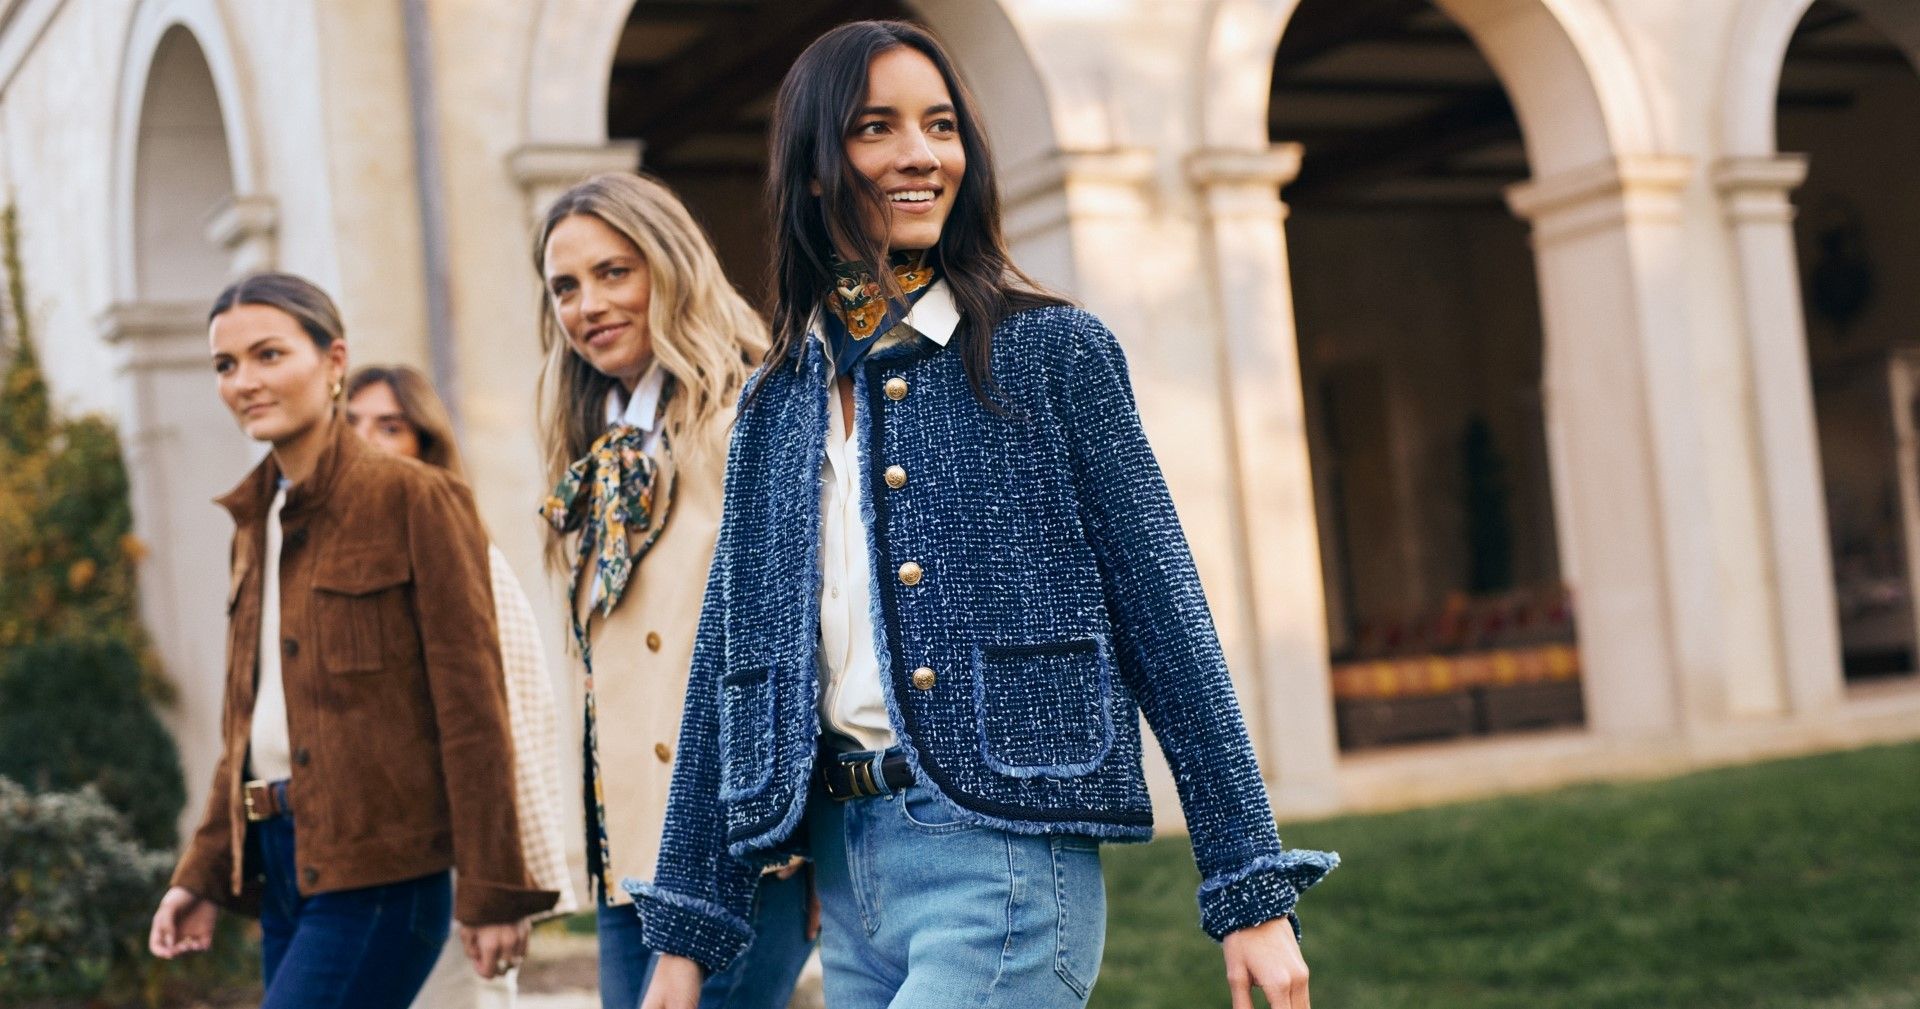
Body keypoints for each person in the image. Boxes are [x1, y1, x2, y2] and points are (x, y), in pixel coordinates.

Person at [631, 21, 1339, 1009]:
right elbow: (730, 664)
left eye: (942, 125)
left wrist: (1249, 886)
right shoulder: (773, 405)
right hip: (848, 868)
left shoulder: (1054, 354)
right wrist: (689, 928)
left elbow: (1166, 616)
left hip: (1000, 860)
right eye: (877, 127)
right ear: (816, 168)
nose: (923, 154)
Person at [148, 273, 557, 1009]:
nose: (245, 381)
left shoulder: (417, 498)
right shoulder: (252, 520)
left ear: (334, 361)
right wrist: (202, 872)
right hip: (281, 860)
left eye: (269, 355)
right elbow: (246, 725)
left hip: (383, 866)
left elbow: (473, 706)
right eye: (226, 365)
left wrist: (496, 888)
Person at [531, 172, 814, 1009]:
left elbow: (795, 644)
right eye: (566, 287)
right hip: (632, 855)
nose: (588, 305)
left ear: (672, 267)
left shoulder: (748, 420)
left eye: (615, 272)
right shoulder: (596, 456)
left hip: (739, 848)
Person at [343, 364, 582, 1009]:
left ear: (423, 442)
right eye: (350, 424)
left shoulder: (460, 551)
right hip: (358, 870)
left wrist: (494, 886)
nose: (364, 441)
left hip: (452, 866)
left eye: (388, 426)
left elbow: (504, 724)